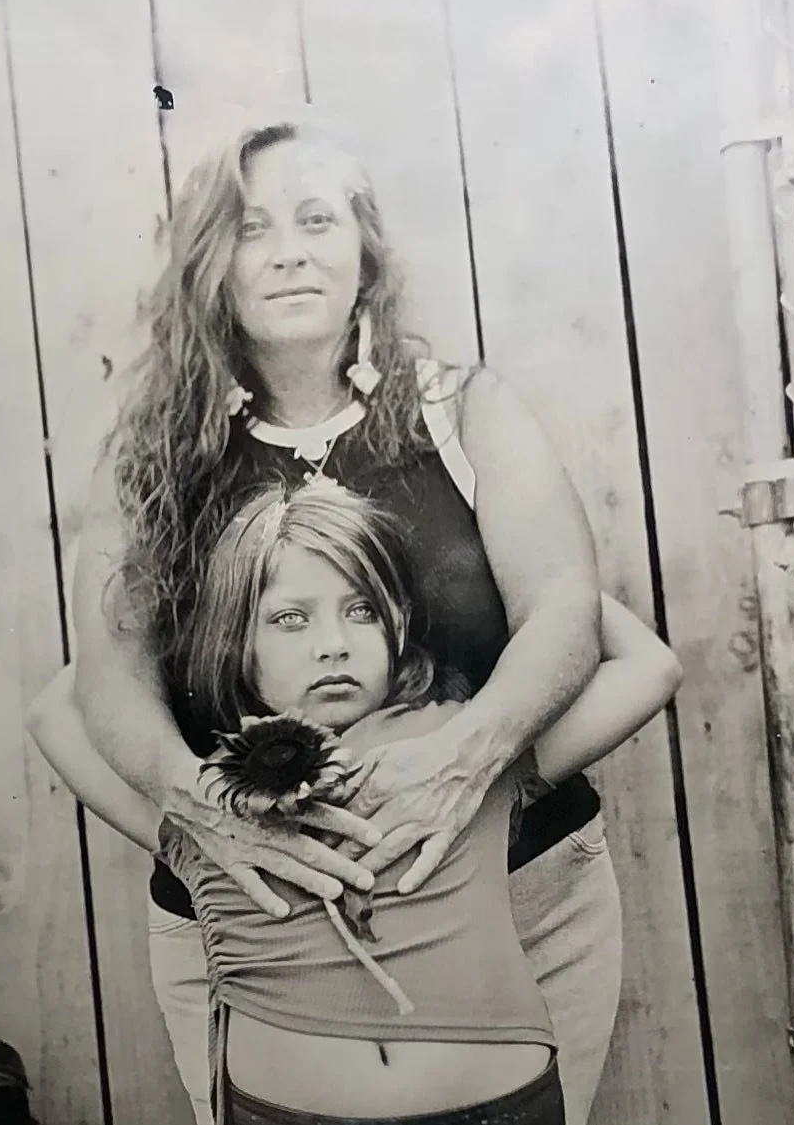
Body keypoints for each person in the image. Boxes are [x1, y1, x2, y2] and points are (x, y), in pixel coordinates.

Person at [27, 118, 655, 1124]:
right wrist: (198, 820)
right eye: (252, 227)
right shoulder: (153, 456)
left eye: (317, 219)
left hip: (510, 894)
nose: (288, 251)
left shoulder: (461, 412)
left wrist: (463, 763)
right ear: (209, 264)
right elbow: (103, 680)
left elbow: (565, 613)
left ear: (364, 250)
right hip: (258, 928)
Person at [157, 480, 681, 1125]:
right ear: (236, 639)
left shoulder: (463, 748)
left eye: (362, 610)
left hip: (495, 1109)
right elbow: (62, 710)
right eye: (290, 618)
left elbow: (650, 668)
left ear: (398, 624)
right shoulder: (207, 792)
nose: (333, 643)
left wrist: (525, 577)